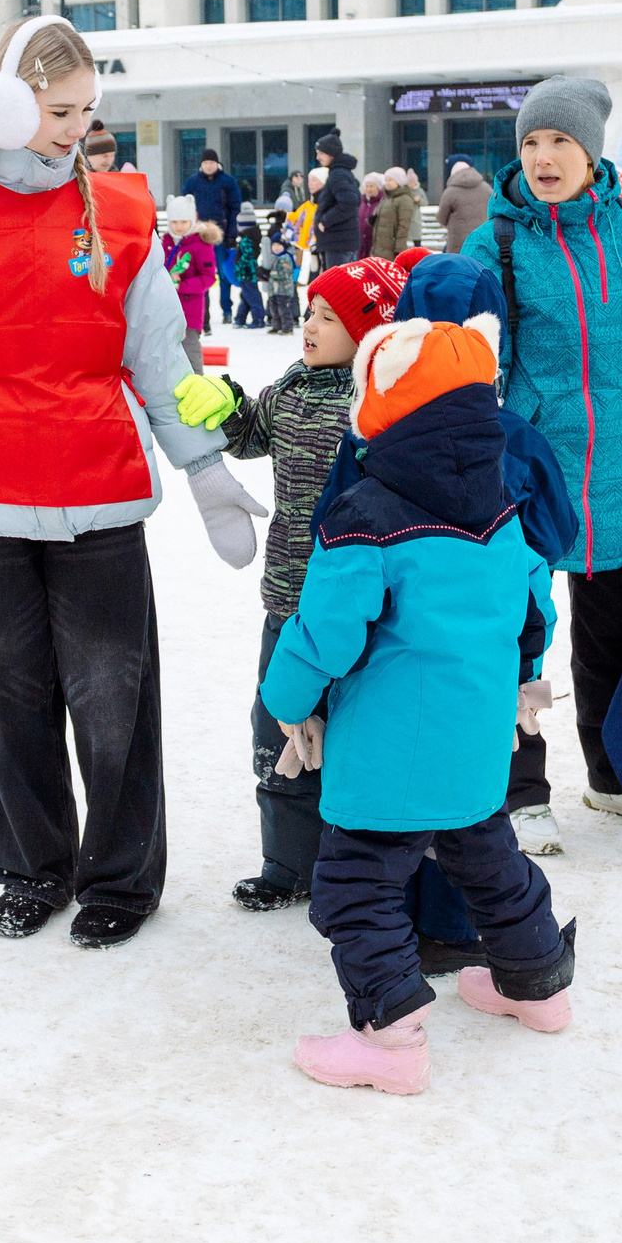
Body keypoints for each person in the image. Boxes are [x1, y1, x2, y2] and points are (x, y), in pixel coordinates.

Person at [0, 15, 264, 950]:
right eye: (60, 109)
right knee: (5, 693)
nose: (78, 128)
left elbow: (160, 356)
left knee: (114, 692)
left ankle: (121, 874)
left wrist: (207, 470)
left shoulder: (120, 217)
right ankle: (32, 864)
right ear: (7, 102)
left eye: (86, 110)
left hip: (97, 488)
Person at [261, 309, 575, 1095]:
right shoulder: (502, 511)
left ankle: (389, 1035)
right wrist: (516, 686)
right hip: (474, 750)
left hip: (386, 762)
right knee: (489, 860)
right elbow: (532, 613)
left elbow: (323, 633)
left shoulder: (365, 517)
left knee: (357, 886)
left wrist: (284, 696)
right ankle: (538, 984)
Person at [459, 76, 622, 833]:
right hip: (526, 476)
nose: (543, 156)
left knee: (611, 638)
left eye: (559, 140)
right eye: (530, 142)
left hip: (619, 473)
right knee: (518, 639)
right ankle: (520, 793)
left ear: (591, 151)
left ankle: (612, 778)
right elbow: (467, 369)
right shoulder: (494, 242)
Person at [212, 255, 399, 911]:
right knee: (278, 728)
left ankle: (367, 870)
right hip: (286, 605)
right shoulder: (292, 385)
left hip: (359, 615)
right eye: (311, 311)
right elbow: (250, 437)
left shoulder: (381, 402)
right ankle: (288, 863)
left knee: (355, 739)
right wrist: (229, 406)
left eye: (329, 316)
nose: (310, 325)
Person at [159, 194, 220, 370]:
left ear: (192, 219)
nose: (178, 227)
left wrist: (181, 286)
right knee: (167, 353)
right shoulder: (165, 242)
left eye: (183, 222)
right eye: (174, 222)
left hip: (189, 310)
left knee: (189, 350)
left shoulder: (201, 244)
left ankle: (197, 384)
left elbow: (208, 277)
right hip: (166, 309)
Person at [184, 150, 242, 323]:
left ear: (217, 164)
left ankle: (226, 310)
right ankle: (204, 312)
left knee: (223, 274)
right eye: (206, 163)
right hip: (199, 235)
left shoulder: (228, 181)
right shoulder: (193, 181)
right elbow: (185, 205)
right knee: (201, 272)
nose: (209, 166)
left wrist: (232, 233)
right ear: (201, 165)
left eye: (212, 163)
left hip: (221, 235)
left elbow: (235, 207)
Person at [312, 137, 361, 271]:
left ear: (331, 153)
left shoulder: (338, 174)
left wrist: (325, 221)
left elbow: (350, 202)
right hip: (340, 241)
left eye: (321, 153)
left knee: (337, 287)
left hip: (338, 242)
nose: (317, 157)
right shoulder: (340, 172)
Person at [436, 154, 492, 256]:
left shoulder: (450, 192)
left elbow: (441, 218)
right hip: (483, 240)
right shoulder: (486, 188)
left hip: (458, 245)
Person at [264, 193, 303, 334]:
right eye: (279, 207)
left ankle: (293, 318)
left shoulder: (293, 225)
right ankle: (275, 321)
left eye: (284, 208)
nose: (281, 211)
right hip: (276, 265)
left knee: (289, 297)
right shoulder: (274, 227)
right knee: (275, 302)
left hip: (289, 264)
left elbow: (298, 245)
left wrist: (297, 264)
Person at [368, 165, 422, 262]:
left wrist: (399, 249)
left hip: (391, 248)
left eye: (390, 180)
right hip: (379, 247)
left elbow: (404, 225)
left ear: (399, 181)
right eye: (386, 180)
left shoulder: (404, 199)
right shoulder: (386, 198)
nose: (387, 183)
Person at [230, 204, 266, 328]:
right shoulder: (252, 238)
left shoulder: (246, 241)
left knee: (251, 295)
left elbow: (247, 259)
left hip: (247, 273)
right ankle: (240, 318)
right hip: (248, 273)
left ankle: (258, 319)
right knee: (246, 295)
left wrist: (239, 267)